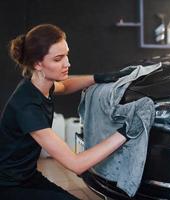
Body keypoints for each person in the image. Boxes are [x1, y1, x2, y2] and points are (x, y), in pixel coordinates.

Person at [0, 24, 133, 199]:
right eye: (58, 59)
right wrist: (126, 132)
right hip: (8, 186)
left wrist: (97, 78)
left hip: (26, 177)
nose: (67, 63)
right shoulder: (27, 107)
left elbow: (65, 85)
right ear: (37, 63)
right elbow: (76, 164)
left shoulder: (36, 85)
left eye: (66, 55)